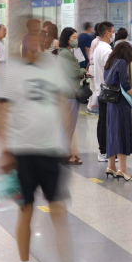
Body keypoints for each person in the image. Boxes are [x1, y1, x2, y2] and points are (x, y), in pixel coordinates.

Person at [0, 18, 73, 262]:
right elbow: (3, 113)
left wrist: (69, 143)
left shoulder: (52, 64)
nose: (34, 38)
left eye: (38, 33)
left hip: (50, 150)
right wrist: (5, 150)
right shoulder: (12, 69)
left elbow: (61, 102)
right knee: (26, 211)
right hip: (22, 151)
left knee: (58, 210)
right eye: (29, 33)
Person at [103, 42, 132, 180]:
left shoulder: (110, 61)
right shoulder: (121, 63)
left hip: (111, 103)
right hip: (120, 103)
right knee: (122, 134)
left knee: (112, 133)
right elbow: (125, 84)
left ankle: (111, 166)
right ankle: (123, 170)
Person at [55, 27, 87, 165]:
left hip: (66, 92)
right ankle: (64, 153)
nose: (76, 40)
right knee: (68, 125)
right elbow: (74, 72)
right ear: (67, 38)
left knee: (66, 125)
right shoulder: (66, 54)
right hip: (70, 93)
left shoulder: (64, 52)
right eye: (74, 37)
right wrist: (84, 70)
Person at [93, 22, 114, 162]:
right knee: (106, 122)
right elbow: (111, 71)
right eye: (112, 32)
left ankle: (104, 151)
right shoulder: (106, 51)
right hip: (107, 90)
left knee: (102, 121)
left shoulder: (99, 48)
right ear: (107, 33)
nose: (113, 34)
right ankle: (104, 151)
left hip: (100, 89)